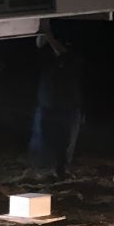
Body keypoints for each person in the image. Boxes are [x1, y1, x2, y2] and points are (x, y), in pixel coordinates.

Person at [28, 25, 84, 179]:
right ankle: (42, 170)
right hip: (48, 108)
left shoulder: (73, 59)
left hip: (67, 109)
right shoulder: (49, 60)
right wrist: (42, 30)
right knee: (44, 140)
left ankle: (61, 171)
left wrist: (48, 34)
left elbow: (63, 54)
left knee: (65, 143)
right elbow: (40, 45)